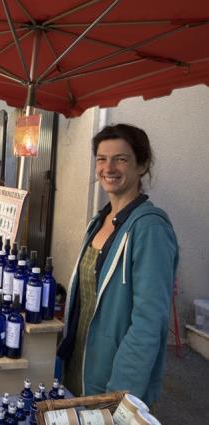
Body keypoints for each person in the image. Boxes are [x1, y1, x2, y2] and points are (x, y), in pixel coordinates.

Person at [58, 124, 179, 407]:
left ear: (142, 165)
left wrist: (118, 395)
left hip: (113, 377)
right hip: (78, 366)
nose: (108, 167)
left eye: (121, 159)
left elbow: (149, 323)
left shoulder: (150, 229)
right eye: (101, 158)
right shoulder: (98, 222)